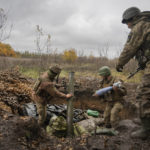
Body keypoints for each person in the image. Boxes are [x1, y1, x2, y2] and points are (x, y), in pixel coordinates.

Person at [116, 7, 150, 138]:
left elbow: (129, 48)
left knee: (143, 95)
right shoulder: (147, 24)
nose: (128, 26)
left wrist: (120, 64)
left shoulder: (139, 26)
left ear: (134, 19)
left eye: (127, 22)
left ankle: (146, 129)